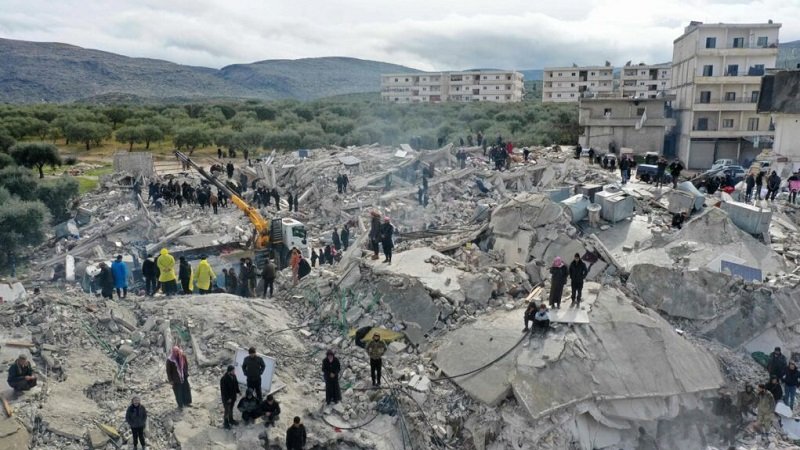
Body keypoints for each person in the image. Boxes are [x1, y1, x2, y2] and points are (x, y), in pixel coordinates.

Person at [220, 364, 240, 429]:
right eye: (233, 370)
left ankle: (231, 420)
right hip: (227, 398)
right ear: (229, 371)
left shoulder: (234, 376)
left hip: (233, 396)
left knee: (231, 409)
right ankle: (226, 423)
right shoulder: (224, 379)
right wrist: (228, 398)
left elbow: (236, 384)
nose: (234, 371)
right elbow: (223, 390)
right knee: (227, 410)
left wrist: (238, 391)